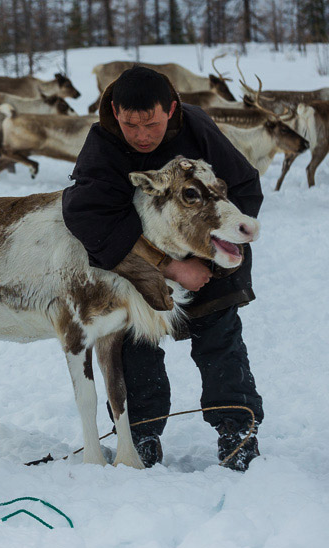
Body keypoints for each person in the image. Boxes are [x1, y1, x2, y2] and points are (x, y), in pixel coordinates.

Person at [61, 66, 264, 471]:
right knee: (137, 349)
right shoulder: (104, 144)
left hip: (212, 262)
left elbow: (243, 186)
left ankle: (236, 429)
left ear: (171, 110)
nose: (139, 134)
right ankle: (143, 432)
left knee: (220, 342)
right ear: (115, 111)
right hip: (142, 269)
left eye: (150, 123)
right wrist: (168, 267)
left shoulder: (198, 126)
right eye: (129, 123)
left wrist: (209, 255)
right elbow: (88, 216)